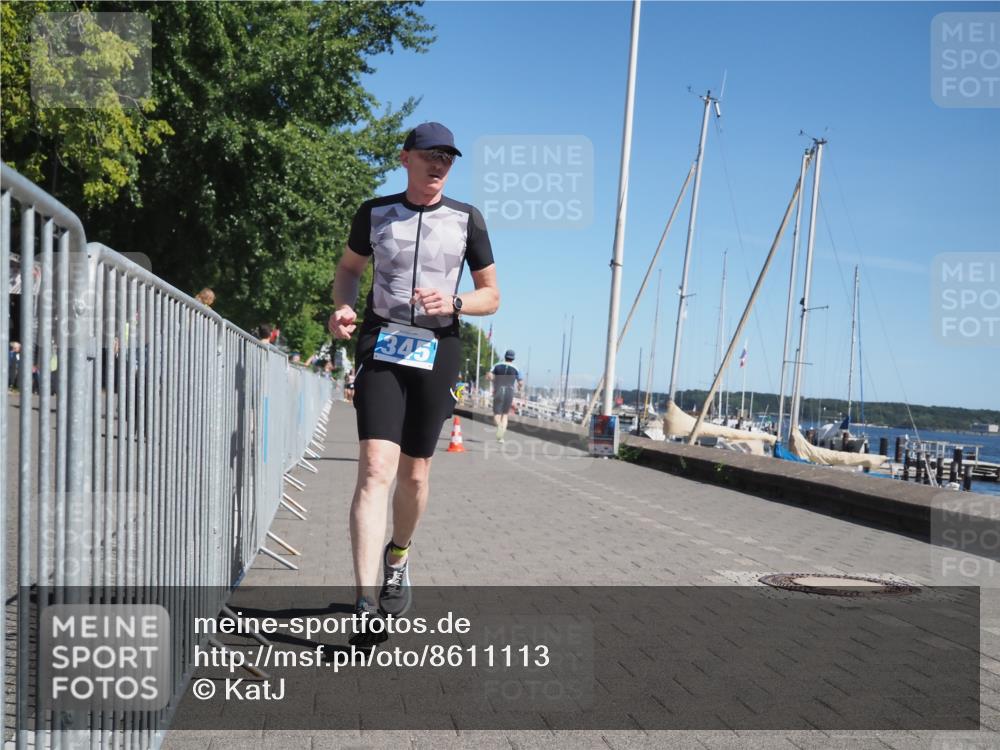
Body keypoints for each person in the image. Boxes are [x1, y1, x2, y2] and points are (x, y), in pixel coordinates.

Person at [328, 122, 499, 642]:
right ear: (407, 158)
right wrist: (342, 306)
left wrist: (455, 303)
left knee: (416, 475)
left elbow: (491, 294)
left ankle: (397, 556)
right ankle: (363, 600)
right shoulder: (375, 213)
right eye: (431, 153)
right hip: (381, 344)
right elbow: (349, 268)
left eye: (449, 155)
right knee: (375, 467)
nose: (441, 162)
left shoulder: (467, 219)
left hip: (438, 347)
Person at [487, 349, 522, 443]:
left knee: (497, 414)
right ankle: (501, 437)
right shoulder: (516, 368)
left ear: (505, 356)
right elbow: (521, 382)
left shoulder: (497, 365)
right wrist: (519, 388)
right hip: (509, 392)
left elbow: (489, 375)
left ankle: (499, 427)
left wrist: (493, 379)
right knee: (505, 415)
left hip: (498, 390)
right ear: (513, 358)